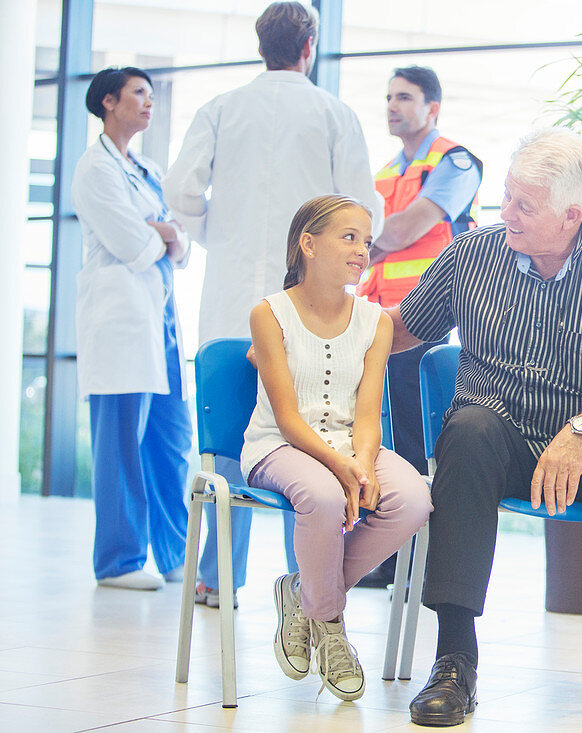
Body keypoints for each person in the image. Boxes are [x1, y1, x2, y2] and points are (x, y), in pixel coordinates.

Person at [388, 129, 582, 729]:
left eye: (523, 206)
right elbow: (403, 328)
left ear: (570, 215)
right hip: (498, 438)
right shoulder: (472, 254)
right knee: (469, 428)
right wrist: (310, 332)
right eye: (506, 198)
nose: (507, 214)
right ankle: (455, 657)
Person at [164, 1, 385, 609]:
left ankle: (217, 578)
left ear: (261, 46)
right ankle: (309, 579)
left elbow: (181, 189)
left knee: (229, 436)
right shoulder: (334, 114)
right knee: (312, 427)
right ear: (309, 47)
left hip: (231, 299)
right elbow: (364, 208)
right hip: (308, 305)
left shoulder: (220, 109)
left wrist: (222, 237)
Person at [242, 194, 431, 701]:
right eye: (348, 238)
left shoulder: (378, 322)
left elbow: (368, 414)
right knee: (324, 497)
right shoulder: (269, 313)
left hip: (351, 444)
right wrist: (341, 469)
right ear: (308, 244)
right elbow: (285, 418)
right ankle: (330, 625)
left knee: (413, 500)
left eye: (366, 242)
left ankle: (305, 595)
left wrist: (362, 466)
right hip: (281, 446)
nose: (361, 251)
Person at [355, 65, 481, 587]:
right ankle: (388, 556)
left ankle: (416, 562)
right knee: (381, 440)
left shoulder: (454, 161)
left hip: (423, 322)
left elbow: (408, 229)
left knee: (413, 439)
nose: (391, 106)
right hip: (377, 321)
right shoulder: (384, 172)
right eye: (387, 97)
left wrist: (363, 240)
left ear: (432, 107)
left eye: (404, 98)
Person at [71, 66, 191, 591]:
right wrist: (162, 234)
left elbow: (179, 244)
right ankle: (118, 561)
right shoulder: (93, 170)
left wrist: (165, 234)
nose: (148, 102)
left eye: (149, 93)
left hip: (159, 319)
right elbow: (134, 246)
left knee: (172, 439)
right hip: (119, 322)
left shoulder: (147, 169)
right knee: (121, 441)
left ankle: (174, 556)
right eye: (138, 93)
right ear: (109, 102)